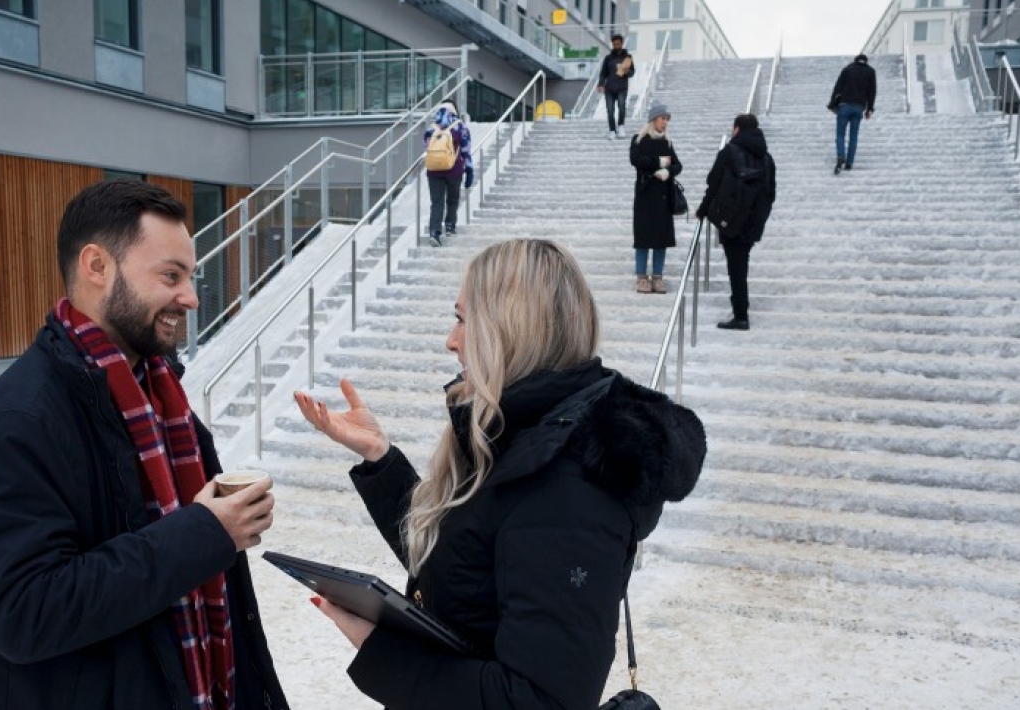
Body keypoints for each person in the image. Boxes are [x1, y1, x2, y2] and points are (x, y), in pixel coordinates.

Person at [291, 238, 706, 710]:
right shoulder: (523, 436)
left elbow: (540, 700)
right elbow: (465, 560)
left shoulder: (570, 482)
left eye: (463, 319)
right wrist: (380, 458)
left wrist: (383, 655)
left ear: (511, 329)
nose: (451, 339)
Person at [0, 179, 290, 710]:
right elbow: (22, 614)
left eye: (191, 276)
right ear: (97, 267)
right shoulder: (14, 422)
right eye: (170, 276)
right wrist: (202, 534)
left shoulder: (162, 399)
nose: (192, 297)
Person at [695, 113, 777, 331]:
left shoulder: (730, 151)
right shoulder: (767, 158)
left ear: (737, 129)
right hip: (753, 223)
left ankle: (741, 315)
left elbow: (713, 183)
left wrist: (703, 210)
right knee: (741, 265)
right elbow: (771, 193)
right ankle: (741, 310)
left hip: (731, 221)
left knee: (737, 268)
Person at [629, 102, 683, 294]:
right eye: (663, 119)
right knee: (643, 239)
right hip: (644, 196)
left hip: (662, 197)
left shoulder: (667, 142)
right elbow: (635, 160)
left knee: (661, 240)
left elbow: (678, 165)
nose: (665, 123)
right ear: (653, 119)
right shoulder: (639, 139)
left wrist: (668, 172)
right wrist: (659, 162)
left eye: (667, 119)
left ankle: (658, 278)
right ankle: (642, 278)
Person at [423, 99, 474, 247]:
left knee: (436, 202)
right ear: (454, 110)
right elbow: (466, 149)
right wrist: (469, 169)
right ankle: (450, 226)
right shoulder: (460, 127)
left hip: (433, 171)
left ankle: (434, 232)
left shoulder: (431, 128)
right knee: (452, 199)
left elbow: (426, 146)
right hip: (454, 169)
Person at [830, 53, 877, 174]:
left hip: (844, 106)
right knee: (853, 136)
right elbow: (872, 92)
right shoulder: (870, 72)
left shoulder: (847, 69)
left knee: (840, 134)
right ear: (865, 61)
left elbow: (837, 87)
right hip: (859, 107)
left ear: (855, 60)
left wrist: (832, 103)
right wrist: (869, 109)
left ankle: (841, 156)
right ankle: (849, 163)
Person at [597, 34, 635, 140]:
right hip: (609, 88)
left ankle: (621, 126)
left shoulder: (628, 57)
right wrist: (600, 84)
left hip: (622, 87)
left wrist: (627, 71)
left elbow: (632, 72)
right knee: (610, 110)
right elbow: (603, 73)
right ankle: (612, 130)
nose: (616, 45)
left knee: (622, 106)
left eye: (618, 43)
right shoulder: (608, 58)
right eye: (614, 44)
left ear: (622, 44)